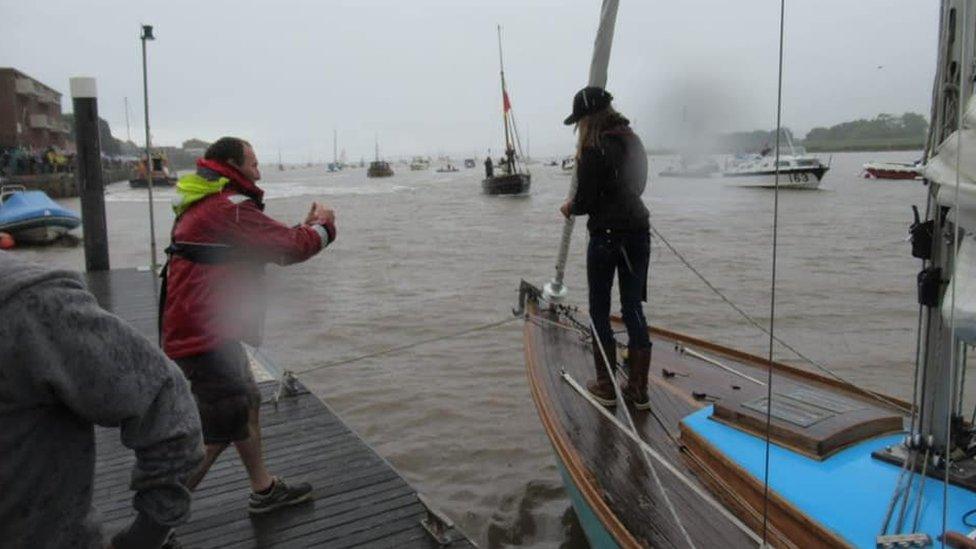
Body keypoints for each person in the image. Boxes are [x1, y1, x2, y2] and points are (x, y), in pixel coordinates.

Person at [161, 137, 336, 516]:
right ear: (232, 164)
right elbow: (292, 249)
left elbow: (261, 243)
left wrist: (296, 230)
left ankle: (264, 489)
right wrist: (324, 226)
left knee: (248, 401)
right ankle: (152, 524)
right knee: (219, 429)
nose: (259, 171)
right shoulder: (229, 207)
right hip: (203, 335)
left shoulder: (213, 202)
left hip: (205, 326)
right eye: (253, 163)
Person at [0, 251, 204, 548]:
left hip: (204, 339)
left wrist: (147, 532)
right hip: (199, 336)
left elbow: (165, 403)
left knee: (233, 407)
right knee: (234, 409)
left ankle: (261, 487)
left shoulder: (29, 304)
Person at [559, 87, 652, 409]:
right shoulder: (634, 142)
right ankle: (638, 391)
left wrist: (570, 206)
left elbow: (583, 202)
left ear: (589, 118)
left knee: (599, 309)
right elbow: (639, 186)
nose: (579, 127)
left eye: (580, 120)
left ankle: (606, 386)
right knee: (633, 308)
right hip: (639, 232)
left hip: (606, 238)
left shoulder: (592, 148)